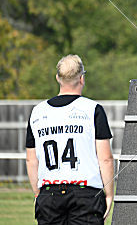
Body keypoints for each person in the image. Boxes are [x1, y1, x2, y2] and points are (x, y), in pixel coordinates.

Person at [25, 54, 114, 225]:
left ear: (57, 78)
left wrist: (38, 193)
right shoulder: (93, 109)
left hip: (48, 194)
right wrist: (109, 193)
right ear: (82, 78)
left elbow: (31, 159)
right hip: (86, 194)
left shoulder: (37, 112)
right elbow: (105, 159)